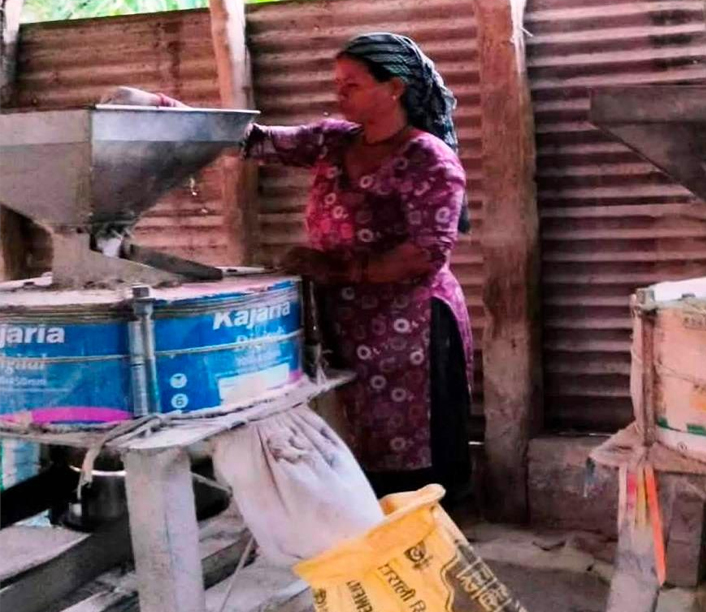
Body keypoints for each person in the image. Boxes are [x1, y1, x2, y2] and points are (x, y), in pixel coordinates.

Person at [107, 33, 475, 501]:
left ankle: (423, 531)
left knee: (415, 450)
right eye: (337, 83)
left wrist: (335, 269)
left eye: (352, 84)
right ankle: (369, 526)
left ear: (395, 88)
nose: (339, 93)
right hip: (349, 320)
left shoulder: (428, 158)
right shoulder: (334, 141)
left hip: (413, 327)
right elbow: (254, 141)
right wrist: (161, 108)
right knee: (362, 439)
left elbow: (426, 254)